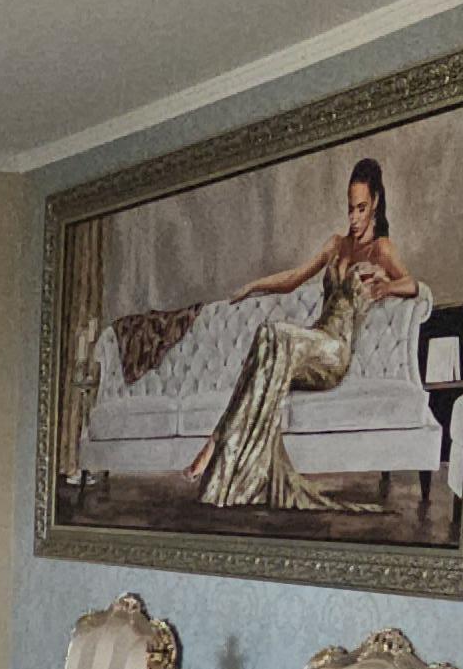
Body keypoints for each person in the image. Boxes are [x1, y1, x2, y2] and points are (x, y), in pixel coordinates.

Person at [182, 157, 427, 508]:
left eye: (361, 208)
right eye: (350, 209)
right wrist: (253, 286)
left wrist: (385, 287)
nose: (354, 217)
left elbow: (413, 284)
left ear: (375, 202)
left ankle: (214, 446)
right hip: (312, 343)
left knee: (274, 334)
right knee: (267, 338)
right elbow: (293, 278)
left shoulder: (381, 249)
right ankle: (218, 444)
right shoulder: (337, 244)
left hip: (334, 353)